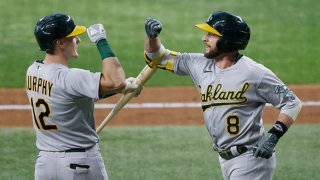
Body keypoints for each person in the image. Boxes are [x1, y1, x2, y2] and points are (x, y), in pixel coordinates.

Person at [144, 11, 302, 180]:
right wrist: (152, 38)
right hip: (224, 159)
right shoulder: (197, 64)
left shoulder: (255, 73)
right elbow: (157, 58)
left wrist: (273, 136)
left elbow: (292, 102)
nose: (204, 39)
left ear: (228, 40)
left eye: (211, 35)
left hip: (251, 159)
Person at [26, 13, 139, 180]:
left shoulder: (33, 72)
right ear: (60, 43)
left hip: (45, 165)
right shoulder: (69, 77)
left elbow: (72, 98)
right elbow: (117, 80)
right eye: (72, 37)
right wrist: (101, 40)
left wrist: (120, 89)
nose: (78, 40)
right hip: (79, 165)